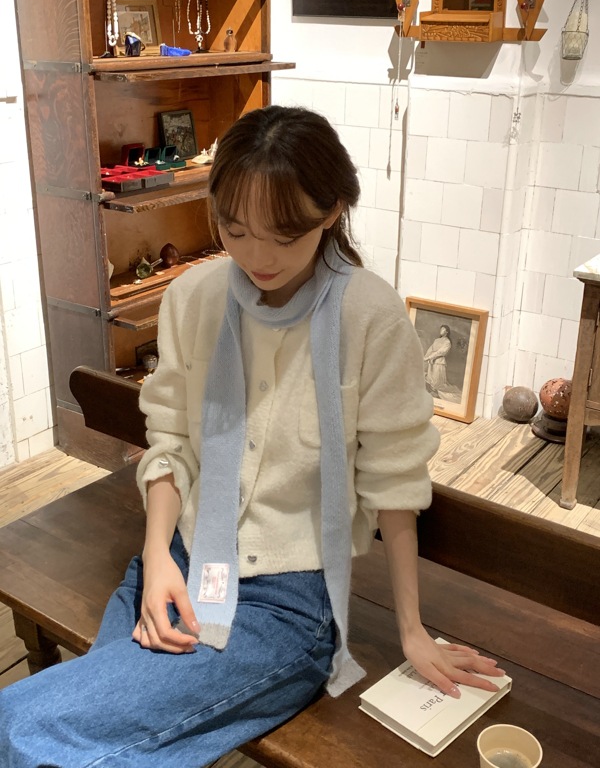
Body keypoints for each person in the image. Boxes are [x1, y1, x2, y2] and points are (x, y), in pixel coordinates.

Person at [0, 106, 503, 767]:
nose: (258, 257)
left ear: (333, 211)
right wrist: (156, 558)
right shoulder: (196, 297)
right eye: (235, 230)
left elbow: (395, 483)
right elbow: (170, 442)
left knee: (23, 726)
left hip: (284, 603)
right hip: (180, 562)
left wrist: (412, 631)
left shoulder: (369, 316)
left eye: (285, 236)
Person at [423, 324, 452, 392]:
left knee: (436, 381)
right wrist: (426, 357)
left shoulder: (447, 342)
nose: (441, 330)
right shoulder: (436, 340)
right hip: (431, 361)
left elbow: (441, 352)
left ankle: (435, 390)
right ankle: (431, 390)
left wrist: (430, 357)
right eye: (440, 329)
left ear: (447, 331)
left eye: (443, 329)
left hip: (439, 361)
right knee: (430, 379)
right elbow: (430, 349)